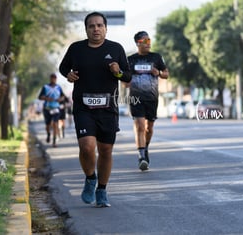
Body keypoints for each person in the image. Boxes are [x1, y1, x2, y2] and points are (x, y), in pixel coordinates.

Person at [59, 11, 131, 207]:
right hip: (83, 107)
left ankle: (102, 189)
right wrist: (69, 75)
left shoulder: (116, 49)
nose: (96, 29)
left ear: (106, 28)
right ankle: (90, 178)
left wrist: (118, 72)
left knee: (106, 150)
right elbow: (63, 68)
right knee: (87, 147)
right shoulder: (76, 49)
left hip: (108, 109)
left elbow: (127, 77)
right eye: (92, 26)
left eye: (99, 25)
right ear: (86, 29)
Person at [127, 31, 169, 171]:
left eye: (149, 41)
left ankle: (145, 148)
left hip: (151, 98)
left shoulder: (156, 57)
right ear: (138, 43)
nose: (148, 44)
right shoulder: (131, 60)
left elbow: (166, 74)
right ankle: (141, 156)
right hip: (136, 97)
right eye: (145, 41)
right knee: (139, 126)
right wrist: (126, 82)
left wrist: (159, 73)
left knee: (149, 128)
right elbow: (125, 79)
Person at [38, 73, 65, 147]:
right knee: (48, 125)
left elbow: (63, 96)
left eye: (55, 78)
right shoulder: (45, 87)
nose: (53, 79)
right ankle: (48, 134)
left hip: (56, 108)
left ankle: (54, 141)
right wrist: (47, 98)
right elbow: (40, 97)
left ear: (56, 79)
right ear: (50, 79)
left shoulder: (58, 87)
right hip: (47, 108)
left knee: (55, 124)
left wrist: (60, 99)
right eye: (52, 78)